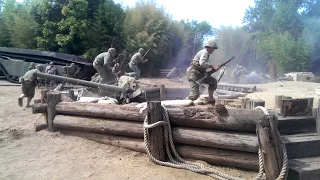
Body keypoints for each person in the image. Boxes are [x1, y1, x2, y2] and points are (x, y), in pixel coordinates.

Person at [186, 39, 220, 104]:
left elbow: (202, 66)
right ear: (209, 47)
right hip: (193, 74)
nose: (213, 50)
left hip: (200, 74)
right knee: (194, 95)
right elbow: (202, 63)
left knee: (213, 82)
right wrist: (213, 66)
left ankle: (210, 98)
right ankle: (184, 104)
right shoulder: (205, 52)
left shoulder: (205, 53)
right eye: (213, 48)